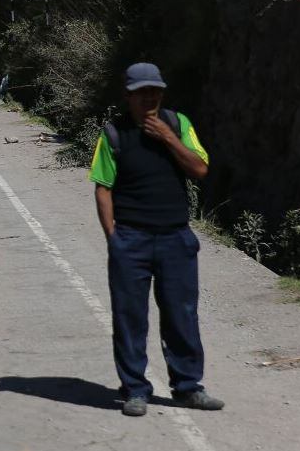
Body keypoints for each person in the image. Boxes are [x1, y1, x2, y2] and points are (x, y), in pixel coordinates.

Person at [89, 62, 224, 418]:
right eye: (141, 92)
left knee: (182, 314)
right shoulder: (113, 133)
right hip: (131, 239)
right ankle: (135, 389)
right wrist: (113, 237)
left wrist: (167, 136)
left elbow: (199, 169)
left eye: (155, 91)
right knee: (129, 317)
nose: (149, 98)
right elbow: (103, 188)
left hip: (175, 238)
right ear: (128, 96)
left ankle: (188, 387)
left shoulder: (179, 124)